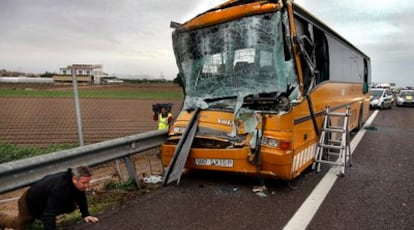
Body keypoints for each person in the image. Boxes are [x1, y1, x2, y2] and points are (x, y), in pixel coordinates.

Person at [0, 166, 99, 230]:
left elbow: (81, 197)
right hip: (29, 202)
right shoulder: (60, 188)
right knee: (19, 223)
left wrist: (86, 215)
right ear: (74, 179)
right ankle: (1, 218)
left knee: (70, 205)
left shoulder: (74, 183)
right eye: (84, 183)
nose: (87, 186)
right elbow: (48, 215)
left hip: (46, 198)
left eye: (88, 182)